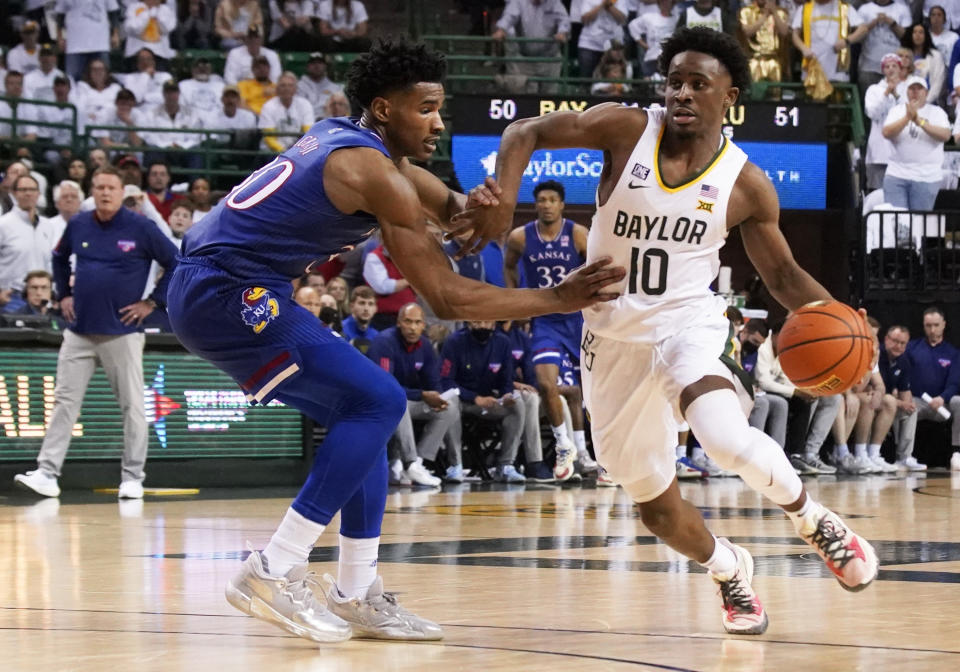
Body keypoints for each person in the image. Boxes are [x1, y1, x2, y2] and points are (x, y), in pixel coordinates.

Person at [164, 40, 621, 645]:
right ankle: (270, 570)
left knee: (367, 418)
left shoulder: (370, 152)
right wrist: (557, 298)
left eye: (440, 107)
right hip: (226, 290)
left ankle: (356, 591)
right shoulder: (371, 172)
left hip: (223, 287)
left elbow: (456, 216)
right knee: (379, 400)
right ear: (384, 108)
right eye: (426, 108)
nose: (438, 121)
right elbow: (447, 299)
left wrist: (481, 210)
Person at [466, 27, 879, 635]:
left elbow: (785, 276)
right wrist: (504, 199)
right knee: (655, 510)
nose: (682, 93)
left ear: (728, 96)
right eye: (674, 82)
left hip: (691, 325)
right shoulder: (627, 130)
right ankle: (728, 569)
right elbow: (523, 131)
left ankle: (816, 520)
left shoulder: (745, 184)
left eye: (698, 84)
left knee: (724, 437)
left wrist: (849, 325)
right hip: (610, 341)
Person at [13, 166, 179, 499]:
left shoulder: (142, 227)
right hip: (79, 331)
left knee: (132, 406)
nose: (105, 193)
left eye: (111, 188)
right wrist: (66, 294)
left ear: (122, 192)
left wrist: (152, 303)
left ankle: (133, 478)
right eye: (99, 187)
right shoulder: (79, 223)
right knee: (63, 402)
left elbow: (176, 263)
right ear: (93, 191)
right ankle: (47, 473)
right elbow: (59, 258)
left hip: (123, 331)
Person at [504, 179, 596, 481]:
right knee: (546, 384)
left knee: (593, 391)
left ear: (561, 205)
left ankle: (590, 453)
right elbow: (509, 266)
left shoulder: (578, 234)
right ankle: (563, 445)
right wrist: (515, 300)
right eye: (541, 200)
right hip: (544, 318)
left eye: (551, 200)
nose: (546, 204)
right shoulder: (520, 237)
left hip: (577, 320)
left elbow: (595, 267)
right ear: (535, 205)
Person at [368, 303, 459, 486]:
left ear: (423, 325)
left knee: (450, 408)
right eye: (408, 321)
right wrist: (423, 395)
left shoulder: (425, 346)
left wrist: (438, 398)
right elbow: (385, 388)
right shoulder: (383, 342)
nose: (412, 327)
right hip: (379, 403)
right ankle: (409, 463)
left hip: (411, 400)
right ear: (399, 322)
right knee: (398, 402)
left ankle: (418, 462)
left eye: (417, 322)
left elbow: (434, 382)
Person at [441, 320, 527, 483]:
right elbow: (446, 381)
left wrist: (506, 396)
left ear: (493, 324)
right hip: (462, 400)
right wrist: (474, 398)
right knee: (449, 402)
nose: (481, 325)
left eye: (486, 321)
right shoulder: (454, 342)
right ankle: (455, 465)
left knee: (518, 404)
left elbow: (506, 381)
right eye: (477, 321)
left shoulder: (503, 343)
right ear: (469, 323)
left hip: (489, 401)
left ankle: (506, 465)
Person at [881, 75, 950, 211]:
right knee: (896, 221)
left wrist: (919, 121)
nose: (915, 91)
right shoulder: (896, 111)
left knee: (918, 224)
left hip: (926, 177)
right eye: (912, 88)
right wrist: (907, 117)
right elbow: (887, 132)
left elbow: (945, 135)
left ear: (926, 92)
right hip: (897, 174)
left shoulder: (937, 112)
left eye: (919, 88)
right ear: (906, 92)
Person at [905, 306, 960, 468]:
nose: (932, 329)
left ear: (944, 324)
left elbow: (955, 382)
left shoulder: (953, 352)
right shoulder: (912, 348)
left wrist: (943, 397)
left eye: (936, 325)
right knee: (906, 407)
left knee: (959, 402)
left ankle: (957, 453)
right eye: (928, 325)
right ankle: (904, 455)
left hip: (943, 404)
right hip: (918, 401)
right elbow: (905, 376)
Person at [491, 0, 571, 94]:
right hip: (525, 60)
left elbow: (564, 20)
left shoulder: (554, 3)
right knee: (526, 95)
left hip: (550, 59)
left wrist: (562, 31)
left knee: (550, 94)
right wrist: (502, 30)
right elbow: (509, 17)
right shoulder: (518, 2)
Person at [0, 175, 61, 292]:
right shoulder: (3, 224)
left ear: (38, 193)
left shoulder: (47, 225)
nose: (28, 193)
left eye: (32, 189)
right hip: (12, 295)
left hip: (42, 295)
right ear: (14, 193)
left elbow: (50, 262)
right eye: (23, 190)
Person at [879, 324, 924, 470]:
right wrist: (900, 403)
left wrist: (907, 404)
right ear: (886, 339)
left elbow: (905, 390)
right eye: (895, 341)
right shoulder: (877, 354)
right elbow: (873, 390)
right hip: (873, 400)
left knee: (911, 410)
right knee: (891, 403)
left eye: (903, 343)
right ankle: (872, 455)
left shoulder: (903, 361)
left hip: (889, 402)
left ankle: (904, 457)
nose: (898, 346)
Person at [863, 53, 906, 190]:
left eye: (894, 66)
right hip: (879, 152)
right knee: (877, 192)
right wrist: (886, 93)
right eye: (887, 66)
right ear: (883, 70)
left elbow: (909, 115)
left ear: (900, 69)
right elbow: (872, 113)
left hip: (901, 153)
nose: (891, 69)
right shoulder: (873, 90)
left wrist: (897, 95)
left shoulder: (907, 90)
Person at [55, 0, 121, 82]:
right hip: (75, 46)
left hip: (100, 44)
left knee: (103, 80)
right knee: (72, 81)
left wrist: (115, 34)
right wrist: (59, 37)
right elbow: (60, 15)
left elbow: (113, 12)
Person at [855, 0, 909, 92]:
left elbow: (907, 38)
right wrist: (873, 23)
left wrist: (892, 23)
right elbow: (856, 37)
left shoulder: (902, 9)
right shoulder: (864, 9)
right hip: (869, 67)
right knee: (869, 102)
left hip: (894, 68)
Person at [737, 0, 791, 83]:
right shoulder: (746, 11)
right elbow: (748, 32)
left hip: (775, 60)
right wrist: (765, 15)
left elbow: (784, 32)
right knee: (755, 92)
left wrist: (774, 12)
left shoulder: (781, 12)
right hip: (753, 60)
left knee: (775, 93)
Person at [258, 72, 315, 152]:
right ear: (277, 88)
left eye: (290, 85)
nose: (286, 88)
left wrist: (296, 151)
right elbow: (269, 137)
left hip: (297, 151)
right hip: (272, 152)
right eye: (283, 85)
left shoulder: (305, 104)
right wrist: (284, 152)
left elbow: (308, 132)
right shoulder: (268, 106)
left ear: (295, 89)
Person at [577, 0, 628, 80]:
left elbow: (622, 19)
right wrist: (602, 5)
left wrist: (609, 6)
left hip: (614, 45)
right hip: (589, 44)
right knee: (586, 80)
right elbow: (585, 19)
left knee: (615, 77)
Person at [630, 0, 678, 78]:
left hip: (669, 59)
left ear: (672, 4)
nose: (665, 4)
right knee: (649, 82)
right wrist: (644, 45)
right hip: (652, 58)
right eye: (663, 2)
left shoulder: (677, 19)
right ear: (659, 3)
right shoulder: (649, 17)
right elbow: (632, 26)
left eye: (668, 2)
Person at [123, 0, 177, 67]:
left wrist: (157, 14)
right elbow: (131, 28)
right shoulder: (133, 8)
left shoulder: (165, 9)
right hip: (136, 53)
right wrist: (147, 13)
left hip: (159, 54)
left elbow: (167, 29)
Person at [298, 52, 344, 120]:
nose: (317, 66)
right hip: (305, 123)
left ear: (325, 66)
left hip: (328, 123)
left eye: (320, 63)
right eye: (313, 63)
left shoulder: (335, 88)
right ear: (307, 67)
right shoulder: (298, 86)